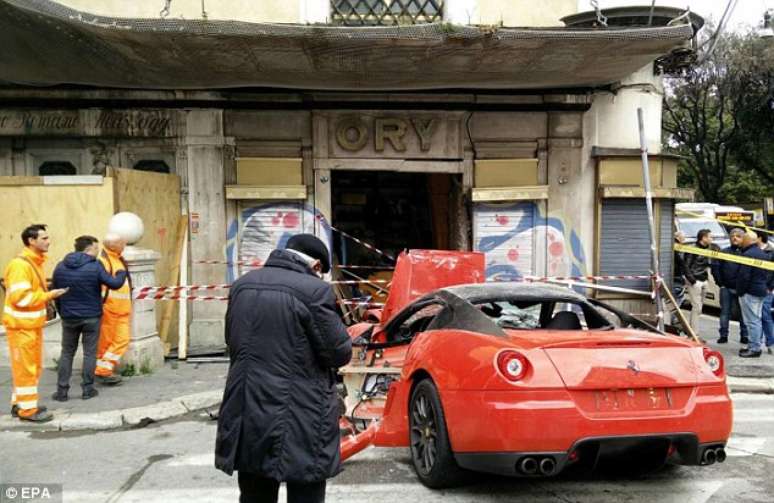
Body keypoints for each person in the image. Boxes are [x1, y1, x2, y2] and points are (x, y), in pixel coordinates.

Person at [215, 234, 352, 503]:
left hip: (248, 409)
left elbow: (233, 340)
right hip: (302, 412)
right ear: (315, 267)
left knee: (254, 493)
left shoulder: (242, 286)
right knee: (305, 492)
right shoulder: (314, 292)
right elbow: (338, 353)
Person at [2, 224, 68, 422]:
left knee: (30, 368)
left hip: (29, 326)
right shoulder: (21, 265)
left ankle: (21, 404)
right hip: (22, 327)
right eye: (44, 238)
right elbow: (20, 299)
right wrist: (49, 295)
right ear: (31, 241)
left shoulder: (33, 263)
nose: (49, 241)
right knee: (26, 370)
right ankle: (27, 410)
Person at [51, 236, 128, 401]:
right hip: (91, 317)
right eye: (95, 248)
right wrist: (121, 272)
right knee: (89, 353)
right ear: (88, 249)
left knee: (67, 353)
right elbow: (114, 283)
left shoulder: (60, 266)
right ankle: (87, 390)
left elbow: (55, 293)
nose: (97, 251)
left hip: (69, 317)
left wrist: (62, 311)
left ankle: (62, 392)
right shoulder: (95, 266)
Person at [95, 234, 131, 384]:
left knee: (121, 340)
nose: (125, 246)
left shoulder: (116, 258)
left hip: (121, 309)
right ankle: (103, 371)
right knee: (106, 343)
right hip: (109, 309)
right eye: (122, 243)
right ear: (113, 245)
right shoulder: (104, 261)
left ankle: (103, 369)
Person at [711, 228, 748, 344]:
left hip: (742, 289)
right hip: (726, 288)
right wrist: (720, 283)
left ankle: (744, 336)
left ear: (743, 238)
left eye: (738, 236)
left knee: (744, 314)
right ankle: (723, 335)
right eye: (732, 236)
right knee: (724, 313)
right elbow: (715, 267)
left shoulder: (746, 253)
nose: (735, 238)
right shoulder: (723, 252)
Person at [736, 231, 770, 358]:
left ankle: (755, 348)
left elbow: (744, 276)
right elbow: (768, 274)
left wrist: (740, 291)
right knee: (756, 319)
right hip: (760, 290)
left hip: (750, 292)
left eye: (743, 239)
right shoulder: (762, 254)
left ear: (749, 240)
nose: (741, 241)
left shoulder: (748, 254)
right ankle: (754, 345)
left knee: (752, 321)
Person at [683, 229, 713, 334]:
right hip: (695, 281)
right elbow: (686, 266)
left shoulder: (708, 248)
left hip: (703, 280)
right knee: (697, 307)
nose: (711, 239)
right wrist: (693, 281)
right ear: (704, 238)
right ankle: (694, 333)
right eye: (710, 237)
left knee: (699, 308)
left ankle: (691, 330)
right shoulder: (692, 249)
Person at [758, 233, 774, 354]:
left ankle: (770, 343)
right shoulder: (751, 250)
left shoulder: (772, 252)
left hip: (767, 289)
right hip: (754, 287)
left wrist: (770, 287)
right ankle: (756, 342)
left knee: (765, 315)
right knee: (754, 317)